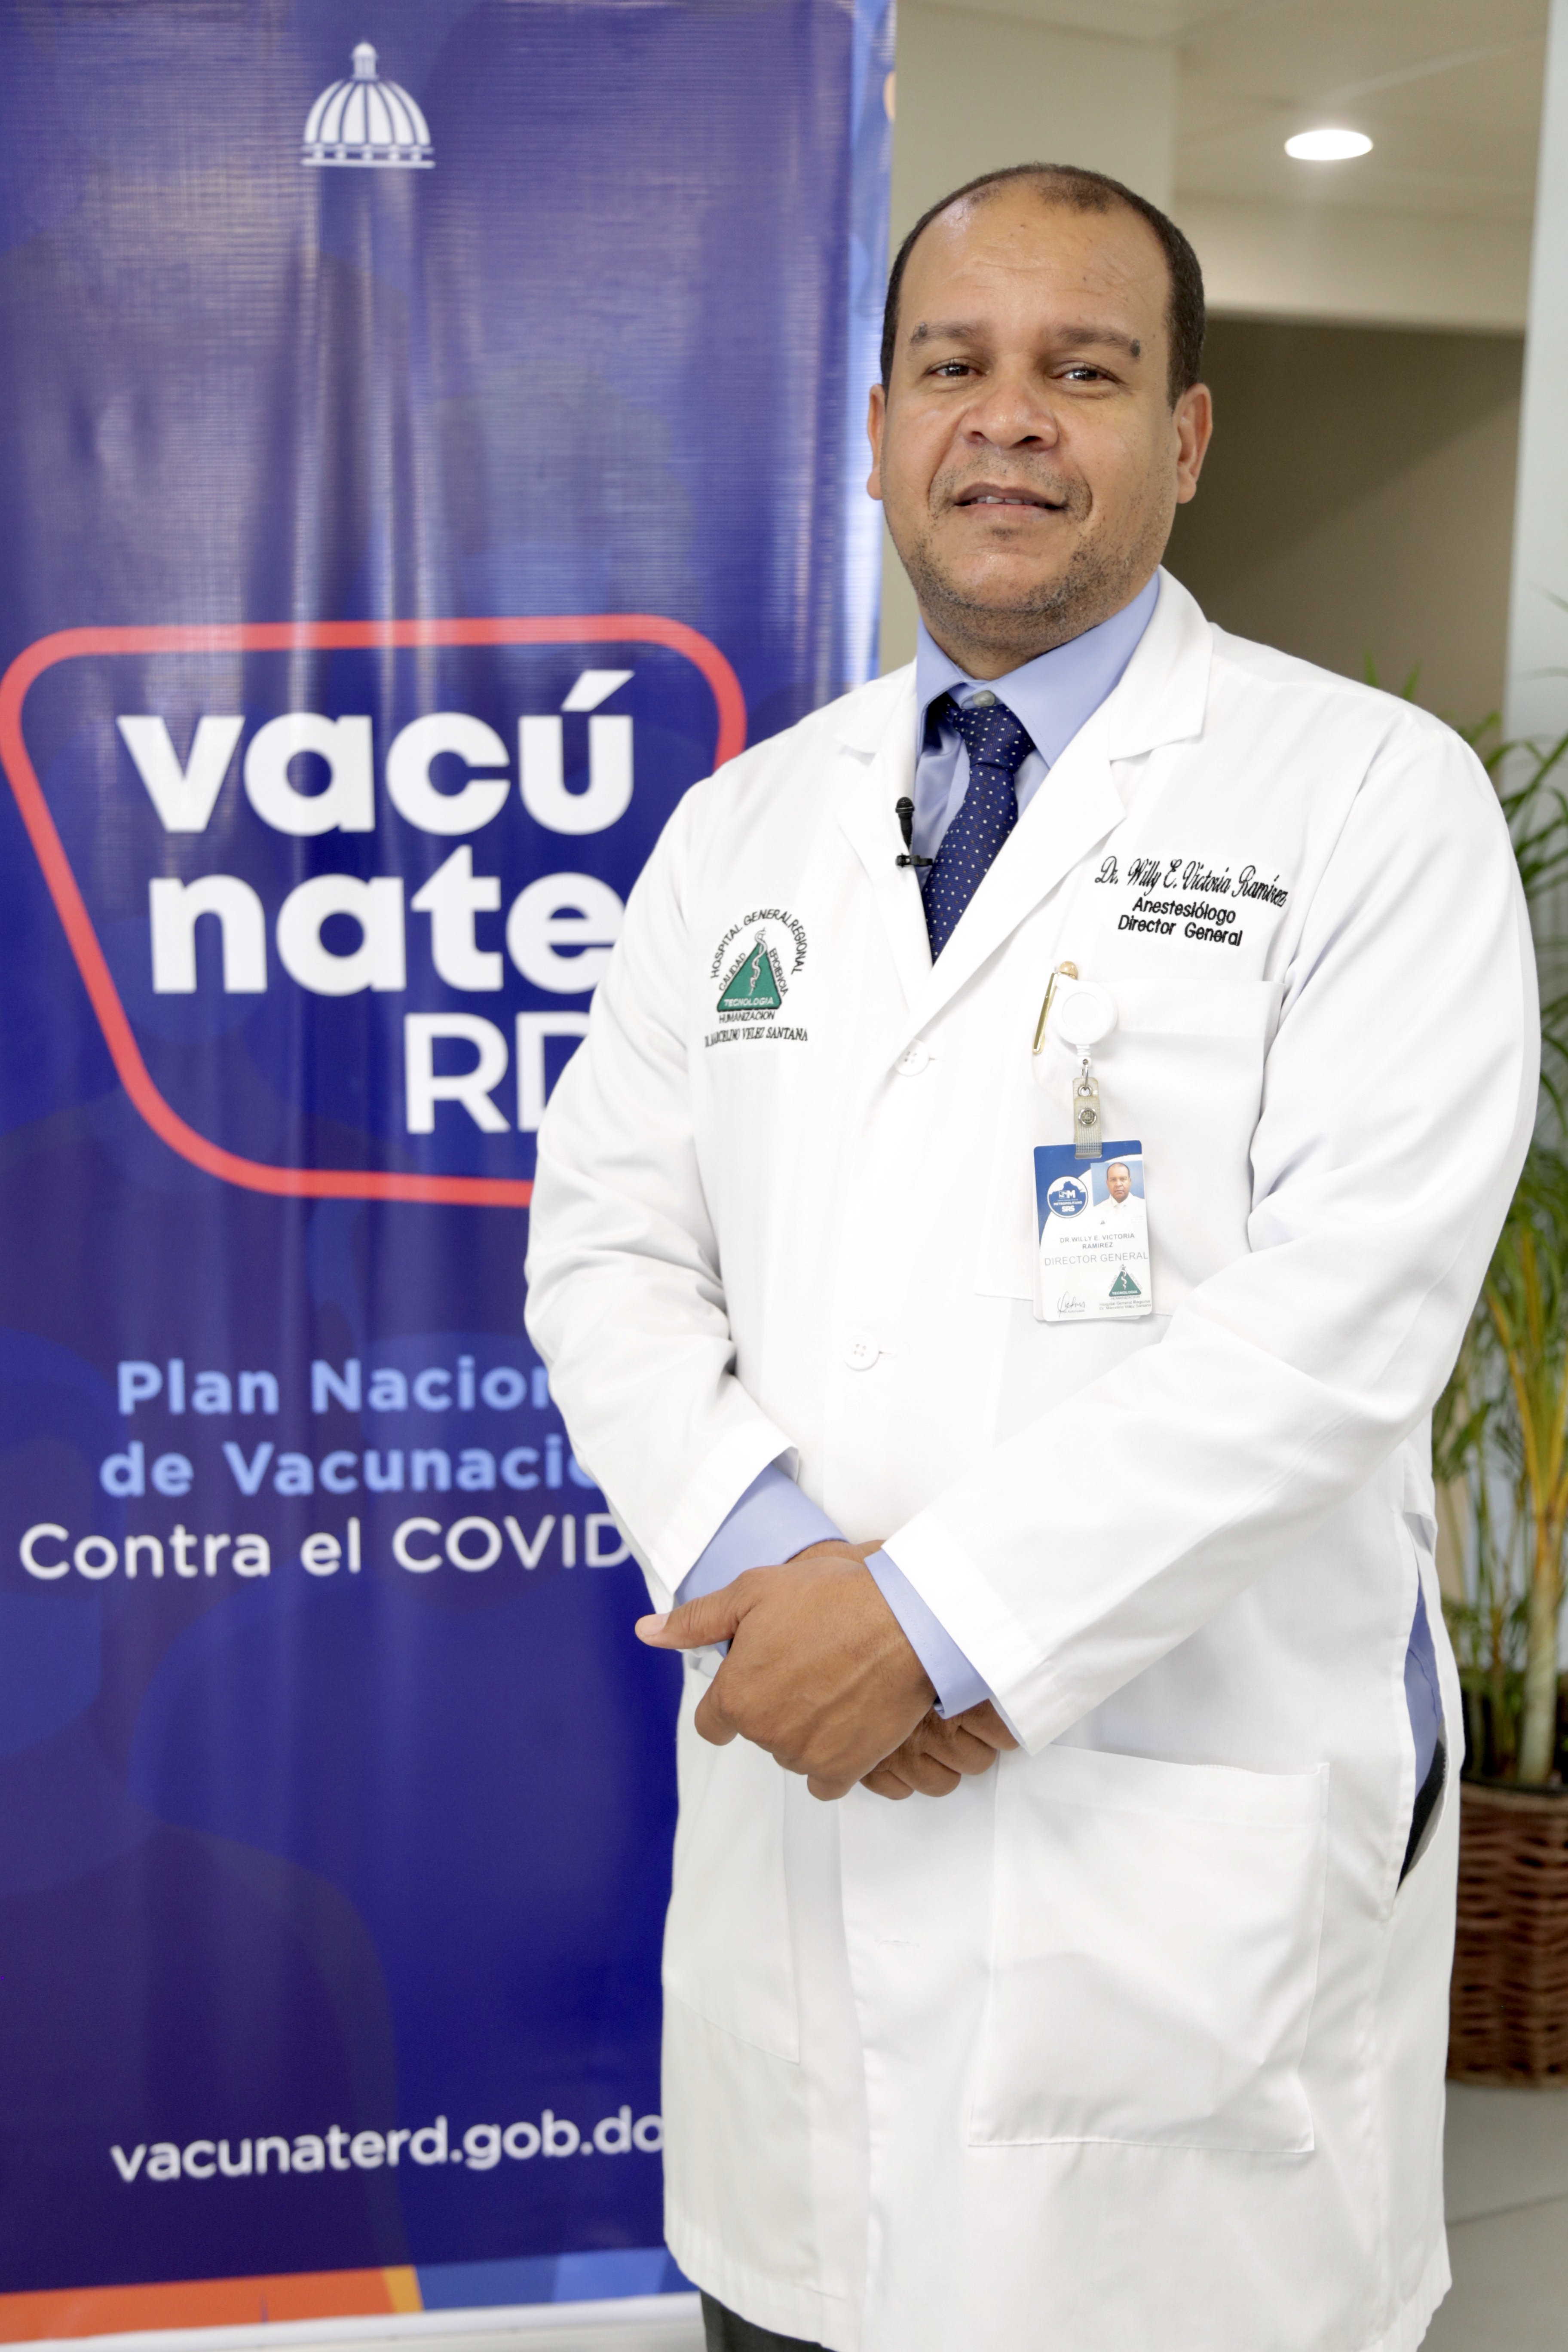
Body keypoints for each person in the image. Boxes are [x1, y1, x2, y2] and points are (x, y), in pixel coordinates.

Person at [525, 162, 1535, 2352]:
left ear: (1185, 434)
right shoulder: (747, 824)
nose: (1009, 419)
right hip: (807, 1849)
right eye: (953, 366)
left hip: (1171, 1898)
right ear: (879, 426)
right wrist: (788, 1571)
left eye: (1085, 369)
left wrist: (936, 1624)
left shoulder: (1368, 802)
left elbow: (1342, 1321)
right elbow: (606, 1241)